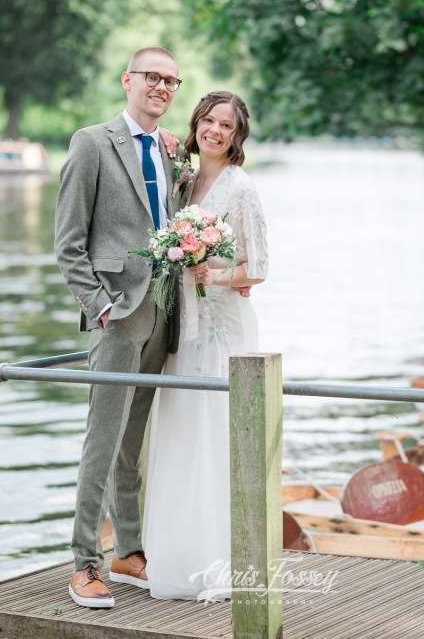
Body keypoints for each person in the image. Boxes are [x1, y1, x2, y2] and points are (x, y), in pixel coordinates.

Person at [55, 47, 184, 609]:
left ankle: (128, 553)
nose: (161, 87)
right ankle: (84, 564)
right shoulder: (92, 143)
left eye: (171, 81)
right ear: (127, 79)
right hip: (119, 314)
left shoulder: (166, 147)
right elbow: (68, 243)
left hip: (163, 313)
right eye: (152, 77)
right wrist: (101, 306)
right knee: (102, 444)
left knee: (135, 443)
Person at [142, 91, 269, 601]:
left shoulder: (241, 188)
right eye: (209, 121)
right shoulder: (185, 180)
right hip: (183, 331)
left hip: (222, 329)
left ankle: (222, 558)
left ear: (237, 137)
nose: (216, 130)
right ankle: (177, 559)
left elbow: (256, 270)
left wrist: (210, 275)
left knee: (216, 435)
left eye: (227, 125)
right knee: (180, 434)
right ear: (196, 123)